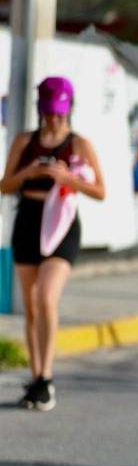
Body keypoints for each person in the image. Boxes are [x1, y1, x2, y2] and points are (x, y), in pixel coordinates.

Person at [0, 76, 105, 411]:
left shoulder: (79, 145)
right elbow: (5, 185)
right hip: (28, 218)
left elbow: (101, 191)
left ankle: (47, 376)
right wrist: (29, 172)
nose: (54, 119)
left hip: (61, 225)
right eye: (49, 113)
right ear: (40, 111)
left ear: (69, 109)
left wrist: (67, 178)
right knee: (31, 304)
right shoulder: (25, 141)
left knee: (47, 295)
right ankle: (36, 378)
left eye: (60, 113)